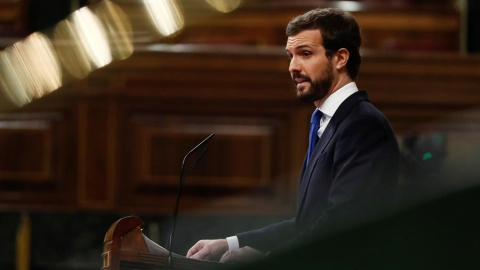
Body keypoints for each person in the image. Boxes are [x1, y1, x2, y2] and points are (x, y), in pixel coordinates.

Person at [187, 7, 399, 264]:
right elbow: (306, 224)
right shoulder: (326, 122)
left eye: (305, 54)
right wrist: (230, 243)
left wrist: (269, 258)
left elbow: (342, 224)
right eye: (291, 56)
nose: (292, 67)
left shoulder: (363, 124)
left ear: (340, 58)